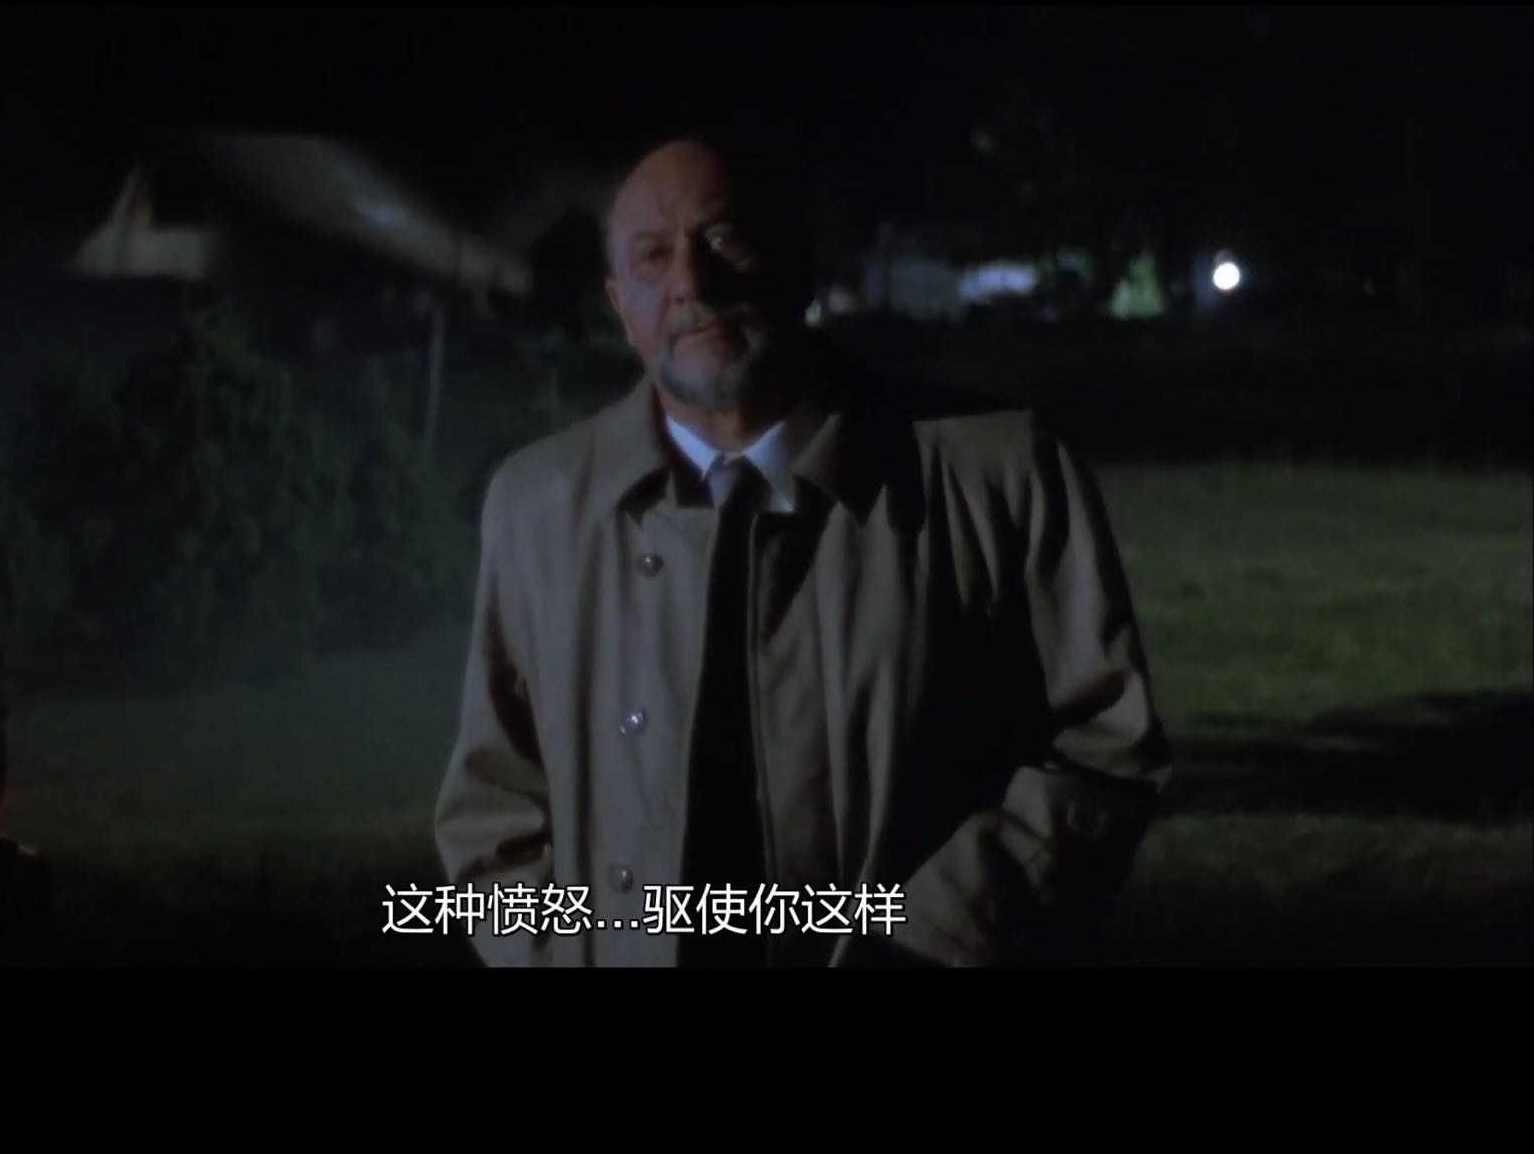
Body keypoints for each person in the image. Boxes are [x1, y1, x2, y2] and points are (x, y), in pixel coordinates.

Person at [432, 135, 1170, 967]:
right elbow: (495, 803)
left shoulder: (997, 474)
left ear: (800, 263)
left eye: (724, 237)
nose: (692, 282)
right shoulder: (537, 507)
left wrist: (934, 937)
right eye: (652, 255)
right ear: (619, 306)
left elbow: (1102, 745)